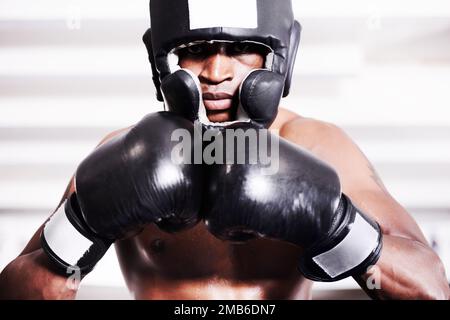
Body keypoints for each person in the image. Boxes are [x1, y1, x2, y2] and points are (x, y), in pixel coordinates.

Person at [0, 0, 449, 300]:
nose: (216, 70)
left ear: (278, 55)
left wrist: (338, 226)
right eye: (195, 49)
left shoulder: (317, 146)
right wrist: (83, 226)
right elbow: (22, 289)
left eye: (241, 48)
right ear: (162, 59)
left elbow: (431, 289)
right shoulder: (126, 153)